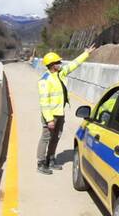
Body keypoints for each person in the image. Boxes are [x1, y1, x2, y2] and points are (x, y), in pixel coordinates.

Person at [36, 44, 96, 175]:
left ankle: (50, 159)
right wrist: (49, 119)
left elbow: (74, 64)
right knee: (46, 138)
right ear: (52, 64)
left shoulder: (60, 74)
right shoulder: (44, 81)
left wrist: (86, 53)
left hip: (60, 113)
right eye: (58, 62)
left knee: (56, 137)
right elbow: (44, 103)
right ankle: (41, 163)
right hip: (51, 116)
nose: (60, 63)